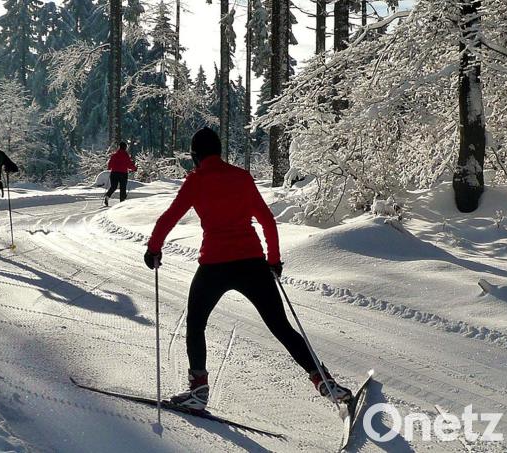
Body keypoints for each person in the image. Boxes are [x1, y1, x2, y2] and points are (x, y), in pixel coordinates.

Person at [143, 127, 353, 411]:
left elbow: (169, 217)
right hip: (252, 263)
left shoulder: (195, 181)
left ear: (195, 155)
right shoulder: (241, 178)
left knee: (195, 323)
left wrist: (154, 249)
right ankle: (324, 381)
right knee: (281, 327)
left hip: (214, 266)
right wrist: (273, 260)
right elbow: (267, 220)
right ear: (218, 151)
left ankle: (199, 391)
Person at [104, 141, 137, 206]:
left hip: (114, 173)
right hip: (123, 174)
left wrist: (110, 167)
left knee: (113, 187)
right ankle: (122, 203)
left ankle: (107, 196)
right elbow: (129, 164)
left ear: (119, 147)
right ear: (125, 147)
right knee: (123, 188)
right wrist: (134, 168)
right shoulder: (126, 155)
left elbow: (110, 164)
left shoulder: (115, 155)